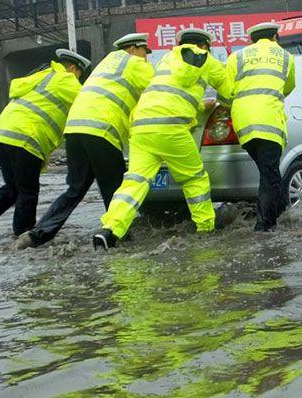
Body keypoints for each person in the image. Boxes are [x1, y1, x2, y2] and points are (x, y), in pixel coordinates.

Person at [93, 28, 233, 250]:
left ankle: (109, 230)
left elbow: (169, 95)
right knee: (194, 178)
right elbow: (228, 95)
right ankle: (206, 229)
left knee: (134, 182)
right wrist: (215, 105)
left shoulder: (166, 60)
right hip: (172, 129)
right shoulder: (208, 61)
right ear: (204, 45)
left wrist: (196, 105)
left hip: (141, 128)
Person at [14, 34, 155, 250]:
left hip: (75, 130)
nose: (146, 57)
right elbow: (159, 91)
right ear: (134, 49)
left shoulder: (104, 65)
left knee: (75, 189)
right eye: (145, 51)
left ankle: (36, 235)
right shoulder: (135, 64)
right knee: (115, 187)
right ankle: (117, 236)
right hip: (100, 131)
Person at [0, 49, 90, 237]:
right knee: (28, 191)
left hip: (3, 133)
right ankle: (23, 235)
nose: (79, 79)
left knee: (13, 188)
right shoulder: (65, 79)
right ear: (72, 67)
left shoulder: (39, 76)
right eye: (79, 74)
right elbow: (88, 99)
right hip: (26, 138)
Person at [225, 22, 295, 232]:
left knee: (269, 173)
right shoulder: (285, 57)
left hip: (243, 124)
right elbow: (289, 87)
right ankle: (264, 227)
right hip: (269, 124)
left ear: (251, 39)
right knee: (269, 175)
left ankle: (280, 210)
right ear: (275, 36)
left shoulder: (236, 57)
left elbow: (226, 92)